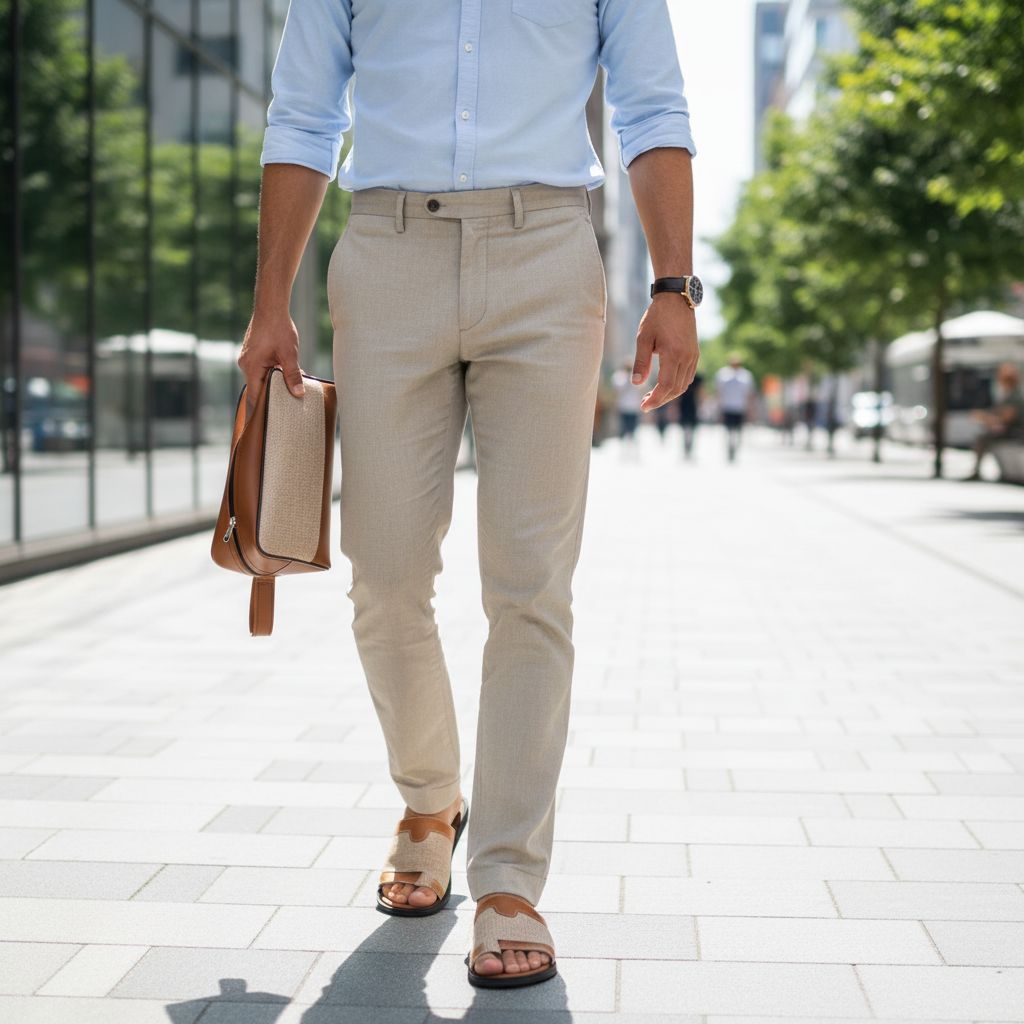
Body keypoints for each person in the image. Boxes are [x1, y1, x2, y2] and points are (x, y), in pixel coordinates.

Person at [239, 0, 699, 990]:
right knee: (384, 571)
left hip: (546, 250)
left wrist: (673, 286)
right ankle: (428, 796)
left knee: (531, 584)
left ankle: (505, 879)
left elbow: (654, 107)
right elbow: (304, 112)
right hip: (387, 246)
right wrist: (270, 299)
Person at [965, 362, 1024, 481]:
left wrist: (983, 417)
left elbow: (1004, 419)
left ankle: (976, 471)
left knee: (983, 439)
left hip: (1016, 433)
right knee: (984, 437)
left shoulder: (1015, 396)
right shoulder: (1007, 395)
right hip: (1011, 431)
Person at [714, 353, 756, 462]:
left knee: (738, 431)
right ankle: (729, 448)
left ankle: (735, 449)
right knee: (728, 431)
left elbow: (749, 394)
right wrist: (718, 408)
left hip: (740, 408)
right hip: (727, 407)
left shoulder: (746, 376)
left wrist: (751, 410)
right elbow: (719, 393)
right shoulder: (723, 374)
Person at [613, 359, 644, 452]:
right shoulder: (619, 377)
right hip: (623, 407)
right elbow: (617, 389)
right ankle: (623, 448)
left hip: (634, 408)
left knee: (633, 428)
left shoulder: (636, 377)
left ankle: (632, 448)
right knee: (623, 428)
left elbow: (641, 389)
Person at [679, 371, 704, 459]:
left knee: (690, 429)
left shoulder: (697, 377)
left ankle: (688, 447)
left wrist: (700, 405)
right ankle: (687, 447)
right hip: (684, 405)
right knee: (685, 429)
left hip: (692, 406)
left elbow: (700, 392)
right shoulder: (680, 375)